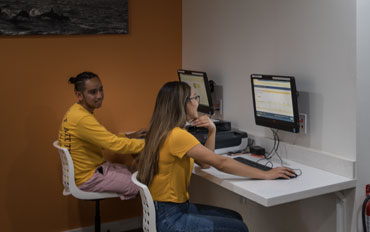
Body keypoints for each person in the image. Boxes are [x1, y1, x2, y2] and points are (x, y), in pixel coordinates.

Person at [137, 81, 296, 232]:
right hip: (172, 218)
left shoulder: (161, 131)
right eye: (194, 98)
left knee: (235, 218)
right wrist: (265, 174)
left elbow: (205, 164)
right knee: (239, 228)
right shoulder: (178, 136)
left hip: (166, 211)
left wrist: (211, 130)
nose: (197, 103)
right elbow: (221, 162)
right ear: (184, 104)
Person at [58, 71, 146, 200]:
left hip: (90, 171)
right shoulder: (81, 119)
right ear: (79, 95)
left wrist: (129, 137)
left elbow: (103, 139)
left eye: (101, 90)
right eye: (93, 92)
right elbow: (113, 145)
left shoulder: (76, 112)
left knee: (135, 172)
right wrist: (150, 144)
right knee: (142, 185)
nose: (99, 96)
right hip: (89, 177)